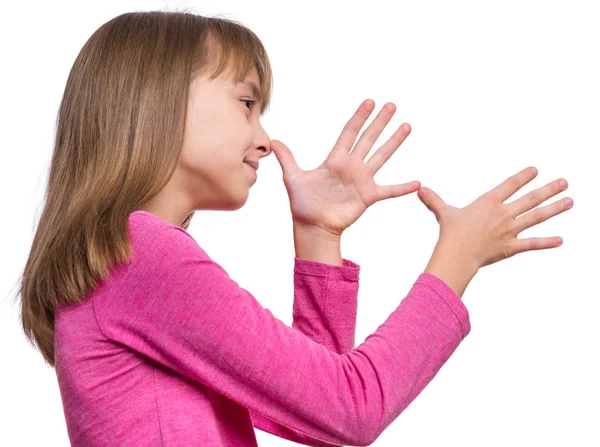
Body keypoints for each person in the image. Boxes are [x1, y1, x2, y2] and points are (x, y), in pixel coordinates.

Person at [16, 10, 573, 447]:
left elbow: (317, 419)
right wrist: (457, 259)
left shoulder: (124, 260)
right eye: (246, 103)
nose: (264, 139)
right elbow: (352, 408)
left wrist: (319, 238)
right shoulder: (142, 254)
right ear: (155, 101)